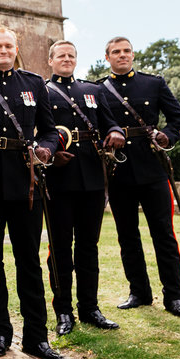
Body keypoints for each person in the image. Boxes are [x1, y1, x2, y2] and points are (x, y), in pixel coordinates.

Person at [0, 27, 65, 359]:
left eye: (8, 46)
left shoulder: (34, 83)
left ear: (16, 48)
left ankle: (36, 337)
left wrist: (45, 147)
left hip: (27, 182)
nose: (3, 51)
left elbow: (51, 130)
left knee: (28, 259)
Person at [96, 36, 180, 318]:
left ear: (133, 55)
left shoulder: (154, 83)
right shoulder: (99, 89)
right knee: (127, 236)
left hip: (153, 168)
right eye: (116, 52)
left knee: (164, 235)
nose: (122, 55)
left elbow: (179, 119)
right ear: (107, 57)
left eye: (126, 51)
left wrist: (167, 136)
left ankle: (174, 297)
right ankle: (139, 291)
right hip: (119, 170)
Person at [43, 40, 125, 335]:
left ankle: (90, 308)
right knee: (61, 248)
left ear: (76, 60)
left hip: (91, 176)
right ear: (50, 60)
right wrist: (50, 156)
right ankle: (64, 311)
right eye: (61, 55)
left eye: (71, 55)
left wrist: (115, 131)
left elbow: (109, 123)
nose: (66, 59)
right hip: (58, 178)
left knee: (88, 247)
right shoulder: (43, 91)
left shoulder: (93, 90)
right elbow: (39, 132)